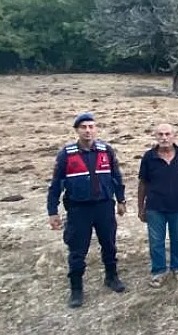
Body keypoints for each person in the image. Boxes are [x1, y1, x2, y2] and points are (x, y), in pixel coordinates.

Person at [47, 112, 128, 308]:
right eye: (83, 127)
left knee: (109, 244)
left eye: (91, 127)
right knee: (77, 250)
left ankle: (111, 277)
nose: (88, 131)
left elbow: (116, 176)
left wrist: (121, 200)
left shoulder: (106, 150)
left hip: (104, 206)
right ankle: (76, 289)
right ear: (77, 130)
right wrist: (52, 211)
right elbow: (56, 184)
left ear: (96, 129)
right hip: (78, 209)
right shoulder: (67, 153)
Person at [137, 123, 178, 287]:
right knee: (156, 242)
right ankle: (159, 272)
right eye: (160, 134)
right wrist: (141, 208)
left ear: (174, 136)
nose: (164, 138)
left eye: (167, 134)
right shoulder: (149, 157)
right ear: (156, 137)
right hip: (155, 207)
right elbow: (142, 183)